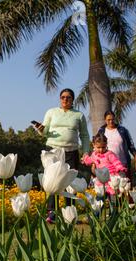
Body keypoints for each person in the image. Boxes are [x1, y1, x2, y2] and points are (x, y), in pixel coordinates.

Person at [35, 88, 90, 223]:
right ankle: (52, 213)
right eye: (63, 97)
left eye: (69, 97)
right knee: (53, 181)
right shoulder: (51, 112)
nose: (65, 99)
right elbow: (45, 131)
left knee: (70, 182)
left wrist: (86, 151)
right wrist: (41, 129)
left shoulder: (79, 115)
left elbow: (84, 135)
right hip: (53, 150)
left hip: (71, 151)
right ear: (60, 99)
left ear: (72, 100)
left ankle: (70, 214)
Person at [97, 110, 136, 180]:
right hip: (107, 167)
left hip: (123, 165)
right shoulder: (101, 131)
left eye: (112, 119)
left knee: (125, 187)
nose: (111, 121)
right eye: (108, 120)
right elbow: (97, 147)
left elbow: (131, 146)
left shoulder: (122, 130)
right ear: (105, 120)